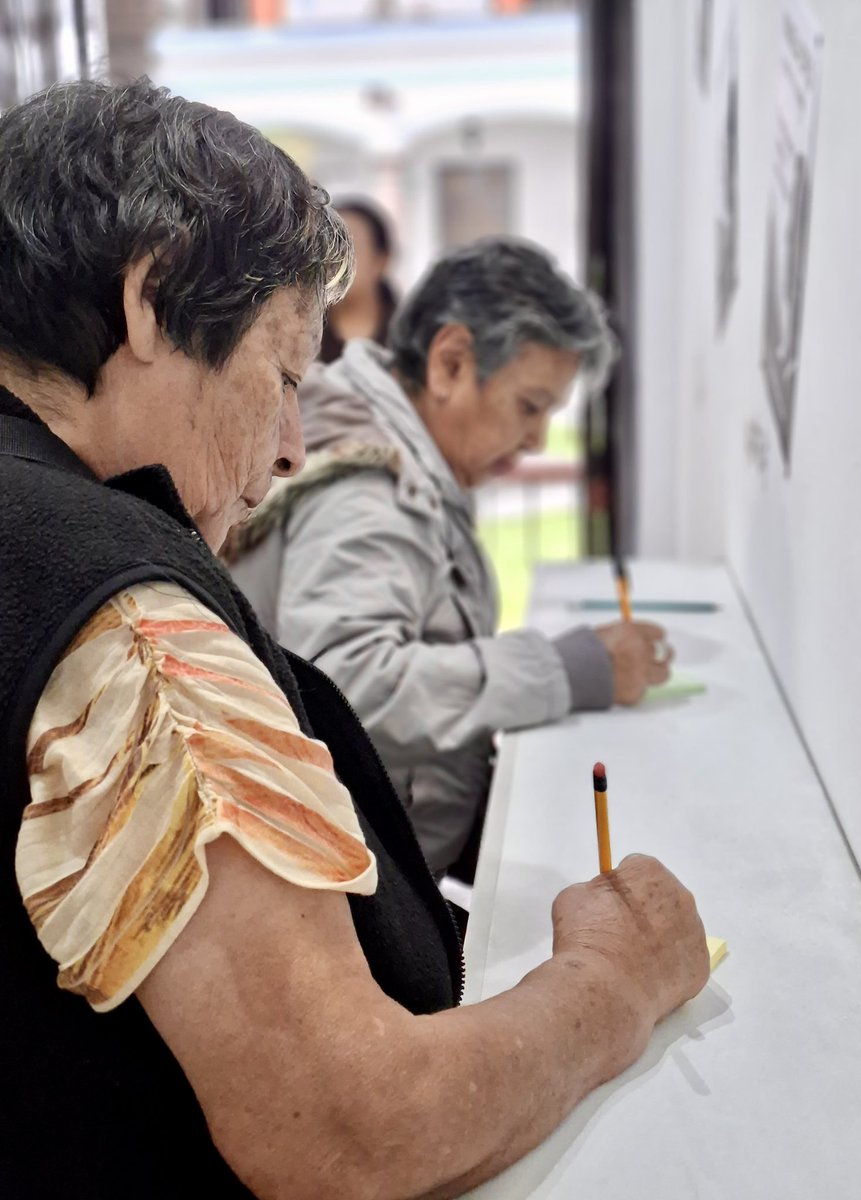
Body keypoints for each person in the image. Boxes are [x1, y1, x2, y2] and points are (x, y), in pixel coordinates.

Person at [0, 79, 708, 1200]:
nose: (290, 447)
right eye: (281, 376)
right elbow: (353, 1127)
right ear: (153, 297)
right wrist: (612, 983)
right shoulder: (126, 625)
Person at [227, 238, 674, 878]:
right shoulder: (371, 489)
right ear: (451, 363)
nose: (537, 439)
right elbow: (349, 684)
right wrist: (565, 671)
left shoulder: (387, 448)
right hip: (356, 892)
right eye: (530, 405)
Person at [319, 196, 397, 364]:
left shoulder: (409, 339)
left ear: (381, 261)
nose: (335, 259)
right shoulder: (303, 335)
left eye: (348, 247)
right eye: (329, 246)